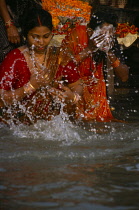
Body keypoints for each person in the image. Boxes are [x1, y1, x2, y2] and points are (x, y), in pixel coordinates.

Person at [0, 8, 77, 125]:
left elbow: (77, 84)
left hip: (53, 126)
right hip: (19, 127)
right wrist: (29, 87)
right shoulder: (15, 58)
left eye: (46, 36)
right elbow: (1, 99)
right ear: (25, 35)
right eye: (35, 37)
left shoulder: (60, 55)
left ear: (52, 33)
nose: (41, 42)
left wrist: (72, 97)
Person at [56, 11, 129, 122]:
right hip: (73, 90)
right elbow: (62, 68)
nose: (106, 37)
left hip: (96, 98)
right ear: (91, 31)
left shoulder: (110, 40)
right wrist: (88, 50)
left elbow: (124, 77)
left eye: (110, 34)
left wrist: (109, 52)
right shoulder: (76, 36)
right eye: (103, 34)